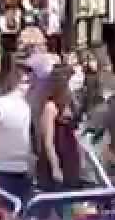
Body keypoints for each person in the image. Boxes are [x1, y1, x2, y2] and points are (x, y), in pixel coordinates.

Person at [0, 67, 34, 203]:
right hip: (1, 168)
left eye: (28, 82)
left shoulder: (25, 107)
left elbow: (25, 137)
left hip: (21, 168)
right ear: (14, 82)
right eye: (24, 82)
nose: (28, 86)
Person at [33, 64, 82, 192]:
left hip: (69, 156)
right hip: (57, 158)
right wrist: (55, 167)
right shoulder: (50, 107)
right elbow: (48, 142)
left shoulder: (69, 104)